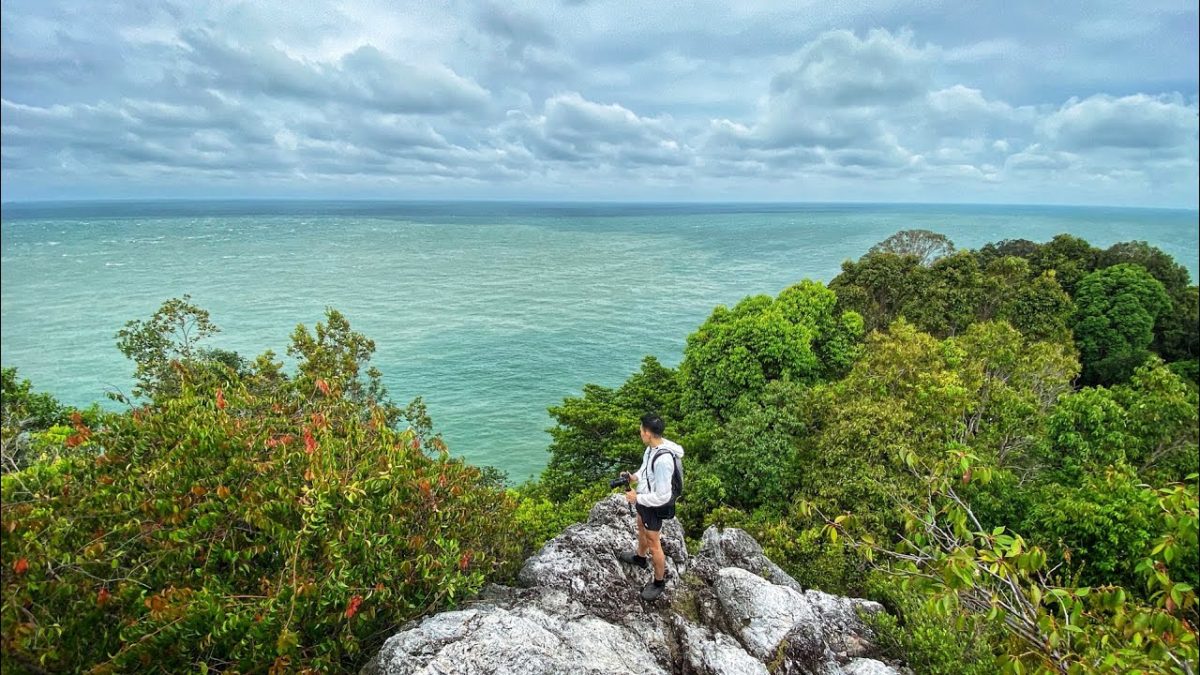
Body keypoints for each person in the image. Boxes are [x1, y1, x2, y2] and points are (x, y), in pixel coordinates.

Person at [617, 412, 684, 601]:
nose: (639, 433)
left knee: (655, 544)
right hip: (645, 499)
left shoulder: (663, 460)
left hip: (653, 505)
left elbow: (663, 496)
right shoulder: (652, 448)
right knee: (640, 524)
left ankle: (659, 582)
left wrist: (637, 498)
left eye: (641, 430)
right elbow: (645, 470)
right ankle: (640, 557)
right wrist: (634, 477)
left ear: (647, 433)